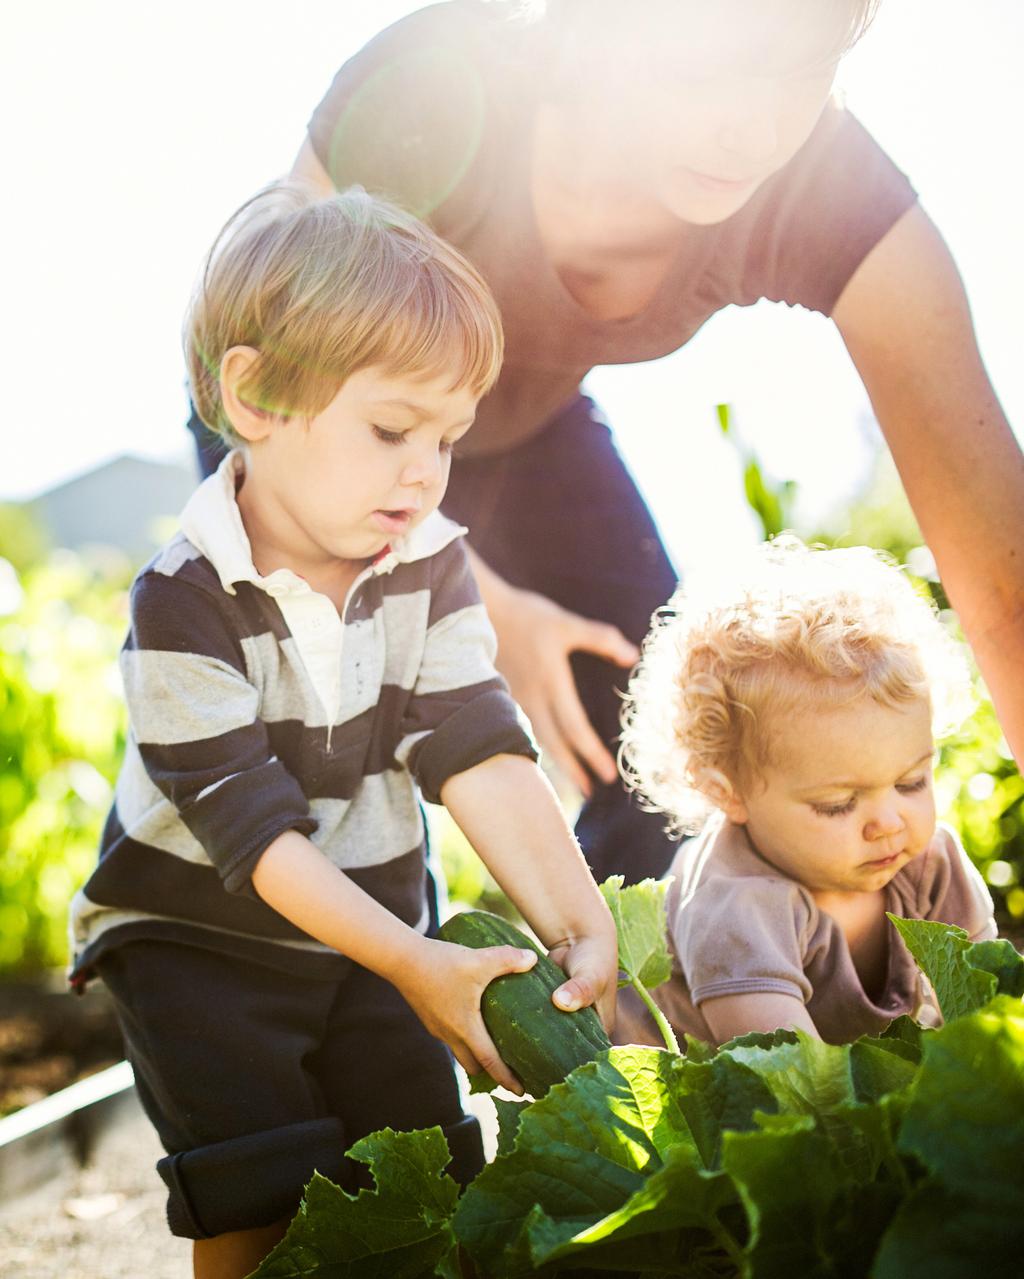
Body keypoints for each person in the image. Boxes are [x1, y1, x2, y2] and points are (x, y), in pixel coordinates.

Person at [188, 0, 1024, 890]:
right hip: (298, 427)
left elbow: (1005, 586)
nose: (753, 124)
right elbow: (263, 362)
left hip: (528, 432)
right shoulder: (437, 88)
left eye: (800, 68)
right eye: (708, 61)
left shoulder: (834, 186)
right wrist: (471, 599)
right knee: (319, 745)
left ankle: (649, 1002)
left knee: (658, 724)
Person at [70, 182, 617, 1279]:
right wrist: (414, 962)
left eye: (448, 438)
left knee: (416, 1172)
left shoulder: (428, 564)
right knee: (256, 1191)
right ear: (258, 394)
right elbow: (253, 833)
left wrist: (577, 916)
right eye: (391, 429)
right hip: (198, 941)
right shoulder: (180, 601)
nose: (425, 471)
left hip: (371, 922)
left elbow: (475, 744)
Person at [613, 536, 997, 1048]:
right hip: (714, 1097)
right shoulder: (733, 904)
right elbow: (788, 1083)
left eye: (911, 782)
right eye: (837, 804)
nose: (889, 821)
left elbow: (993, 1009)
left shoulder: (929, 864)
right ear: (729, 794)